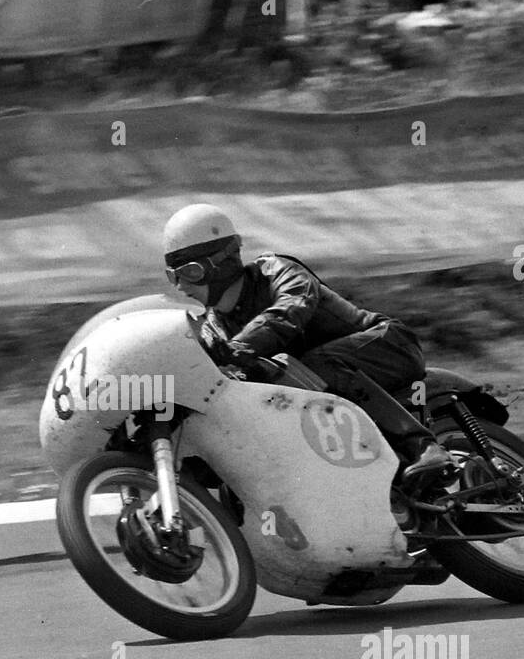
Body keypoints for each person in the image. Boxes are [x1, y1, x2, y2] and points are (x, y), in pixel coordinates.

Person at [161, 203, 455, 489]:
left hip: (388, 346)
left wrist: (238, 349)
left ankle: (423, 447)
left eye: (191, 272)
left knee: (314, 364)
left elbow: (290, 309)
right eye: (173, 276)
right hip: (325, 386)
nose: (180, 286)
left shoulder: (277, 271)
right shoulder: (214, 327)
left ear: (223, 260)